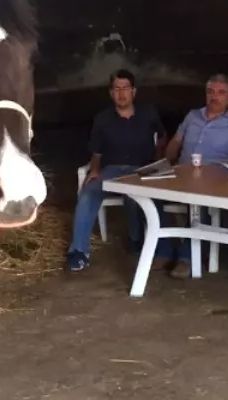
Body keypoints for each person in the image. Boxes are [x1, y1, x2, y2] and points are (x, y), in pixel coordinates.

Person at [67, 69, 165, 273]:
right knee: (88, 193)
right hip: (112, 170)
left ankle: (137, 239)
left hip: (141, 170)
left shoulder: (148, 113)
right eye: (117, 89)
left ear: (134, 91)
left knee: (135, 196)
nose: (121, 93)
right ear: (111, 93)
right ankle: (78, 251)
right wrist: (94, 169)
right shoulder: (102, 119)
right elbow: (97, 151)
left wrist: (158, 160)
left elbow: (162, 137)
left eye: (126, 88)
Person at [154, 74, 228, 278]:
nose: (215, 97)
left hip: (212, 180)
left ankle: (187, 258)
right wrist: (163, 164)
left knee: (200, 205)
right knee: (149, 196)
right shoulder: (192, 116)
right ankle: (162, 250)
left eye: (221, 92)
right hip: (180, 174)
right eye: (211, 91)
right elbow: (176, 142)